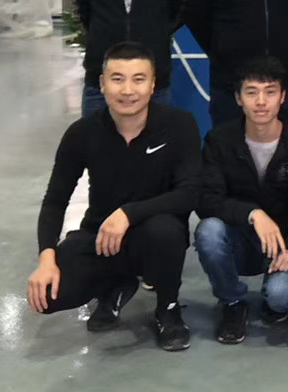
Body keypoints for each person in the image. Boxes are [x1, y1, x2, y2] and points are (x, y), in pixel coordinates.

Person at [26, 41, 201, 352]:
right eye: (117, 79)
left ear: (152, 84)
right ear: (102, 84)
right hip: (100, 238)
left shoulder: (179, 125)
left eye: (138, 79)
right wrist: (46, 259)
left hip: (154, 235)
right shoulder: (81, 133)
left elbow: (191, 193)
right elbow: (55, 200)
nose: (128, 90)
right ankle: (115, 285)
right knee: (49, 297)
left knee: (163, 231)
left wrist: (129, 213)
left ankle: (168, 308)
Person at [194, 56, 288, 345]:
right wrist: (252, 213)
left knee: (281, 299)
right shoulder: (219, 141)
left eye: (270, 92)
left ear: (282, 97)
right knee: (208, 231)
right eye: (251, 92)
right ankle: (233, 302)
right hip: (239, 240)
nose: (261, 101)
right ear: (238, 98)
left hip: (283, 244)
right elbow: (206, 200)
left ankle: (275, 298)